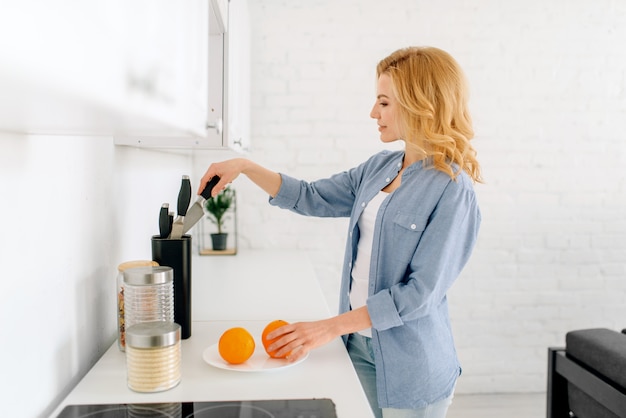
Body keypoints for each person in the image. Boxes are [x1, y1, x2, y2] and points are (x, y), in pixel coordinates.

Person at [198, 46, 482, 418]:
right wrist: (246, 167)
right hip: (358, 349)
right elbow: (311, 196)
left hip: (412, 364)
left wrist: (328, 328)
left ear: (419, 103)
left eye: (384, 103)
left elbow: (420, 295)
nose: (373, 113)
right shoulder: (379, 167)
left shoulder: (452, 189)